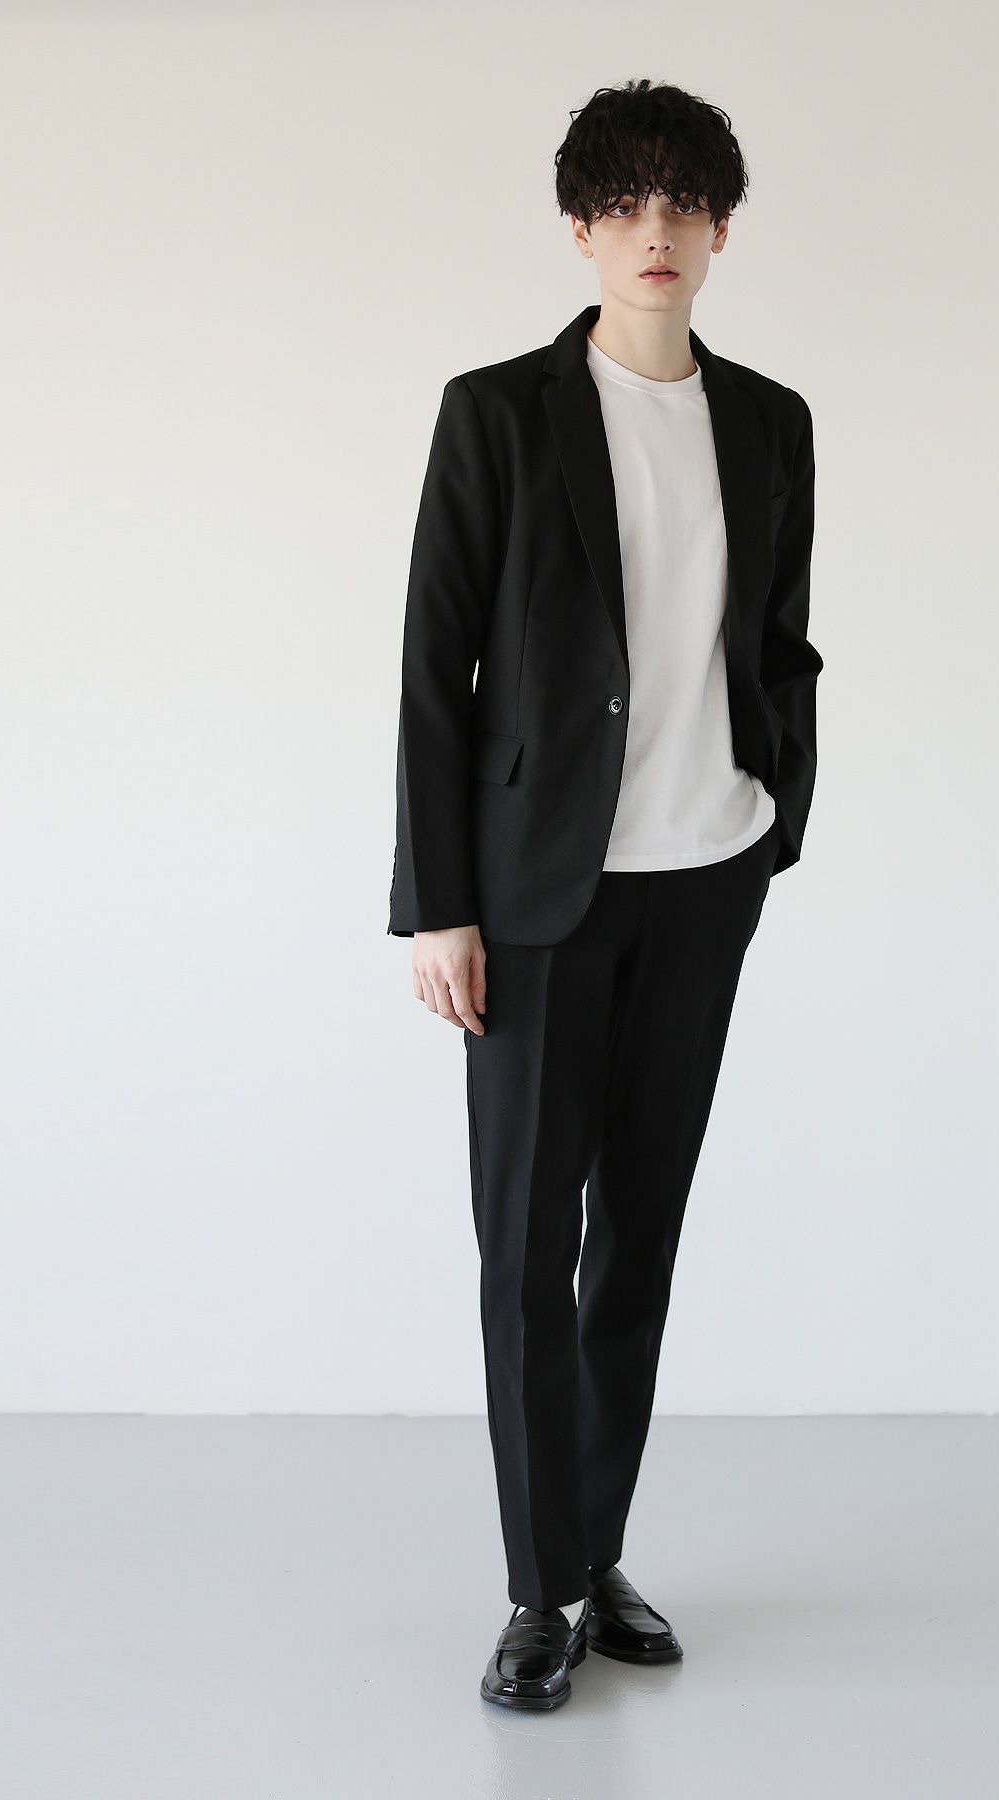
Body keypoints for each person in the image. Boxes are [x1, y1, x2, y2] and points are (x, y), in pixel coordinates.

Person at [388, 77, 823, 1710]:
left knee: (639, 1235)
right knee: (525, 1246)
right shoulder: (497, 413)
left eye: (684, 203)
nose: (657, 231)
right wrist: (439, 903)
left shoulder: (770, 421)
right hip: (535, 899)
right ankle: (538, 1586)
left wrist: (776, 818)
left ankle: (593, 1548)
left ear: (720, 229)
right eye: (626, 204)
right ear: (580, 228)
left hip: (703, 880)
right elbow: (435, 671)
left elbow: (780, 641)